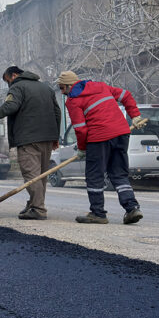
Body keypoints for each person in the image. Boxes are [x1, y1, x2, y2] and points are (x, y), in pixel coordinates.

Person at [56, 71, 148, 225]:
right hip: (121, 134)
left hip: (99, 138)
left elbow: (80, 129)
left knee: (94, 176)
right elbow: (125, 95)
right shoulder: (101, 86)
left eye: (62, 88)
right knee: (118, 173)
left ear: (69, 86)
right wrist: (135, 115)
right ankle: (132, 208)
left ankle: (98, 213)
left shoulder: (73, 100)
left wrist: (82, 149)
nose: (62, 92)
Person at [0, 65, 60, 220]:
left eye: (7, 81)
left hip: (28, 139)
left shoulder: (17, 87)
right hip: (47, 138)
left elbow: (10, 106)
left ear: (13, 75)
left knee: (31, 174)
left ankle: (38, 209)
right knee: (40, 176)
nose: (8, 85)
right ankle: (34, 204)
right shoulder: (46, 88)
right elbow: (57, 112)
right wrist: (55, 136)